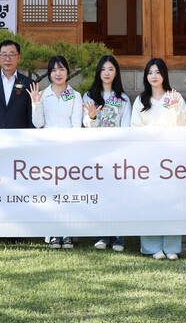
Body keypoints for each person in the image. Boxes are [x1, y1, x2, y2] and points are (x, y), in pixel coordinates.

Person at [130, 57, 186, 260]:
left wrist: (175, 108)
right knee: (149, 200)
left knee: (172, 199)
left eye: (157, 72)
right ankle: (151, 247)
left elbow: (184, 126)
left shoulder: (175, 97)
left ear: (164, 75)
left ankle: (172, 247)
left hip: (171, 157)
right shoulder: (141, 100)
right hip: (148, 157)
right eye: (150, 73)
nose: (154, 76)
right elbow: (134, 128)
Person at [31, 55, 83, 249]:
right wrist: (35, 103)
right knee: (51, 191)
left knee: (68, 191)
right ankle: (53, 233)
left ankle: (68, 234)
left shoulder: (75, 95)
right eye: (53, 70)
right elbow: (38, 123)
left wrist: (72, 149)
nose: (58, 73)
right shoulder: (43, 95)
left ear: (67, 71)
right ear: (49, 74)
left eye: (61, 69)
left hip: (69, 151)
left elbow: (76, 125)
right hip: (48, 150)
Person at [81, 54, 131, 252]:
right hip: (96, 153)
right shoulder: (89, 96)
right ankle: (101, 235)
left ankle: (118, 237)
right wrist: (92, 118)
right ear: (98, 72)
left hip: (117, 153)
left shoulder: (123, 99)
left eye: (110, 69)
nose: (107, 73)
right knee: (100, 194)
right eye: (103, 69)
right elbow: (86, 125)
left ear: (116, 72)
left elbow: (126, 128)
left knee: (118, 195)